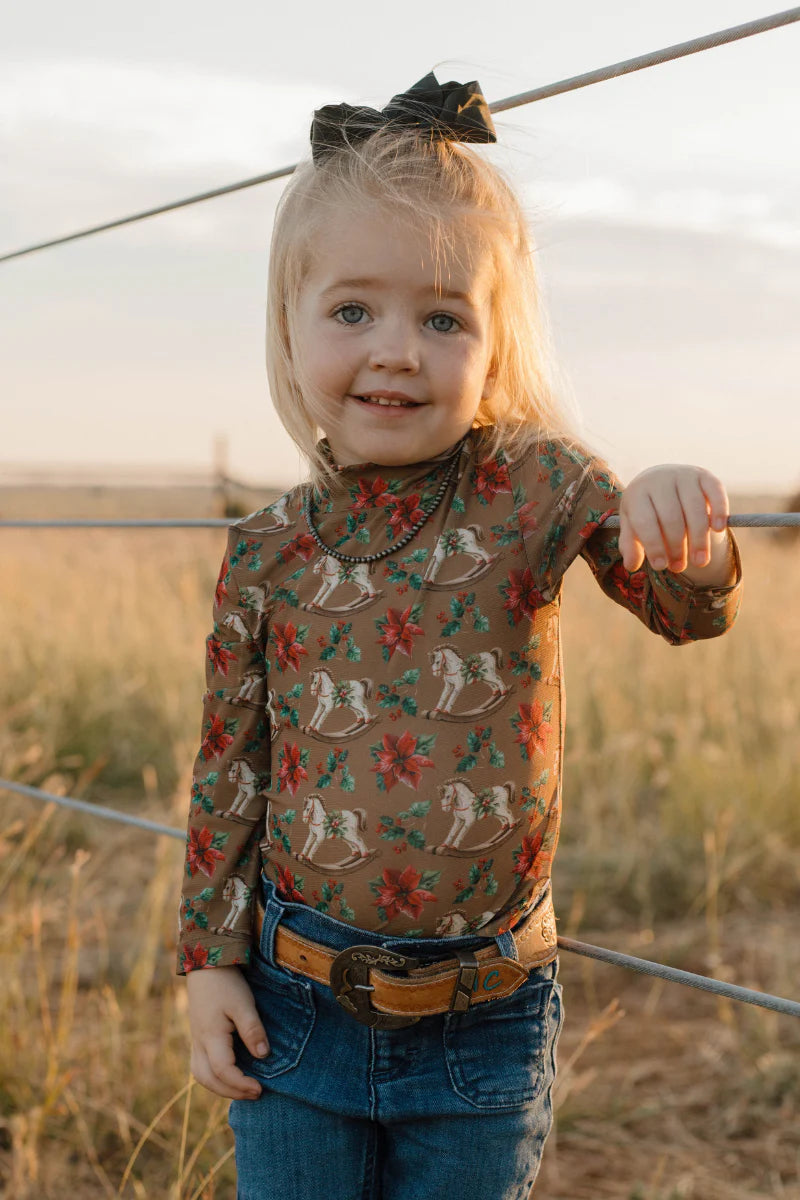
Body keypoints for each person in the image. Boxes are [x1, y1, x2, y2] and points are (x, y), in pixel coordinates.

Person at [176, 72, 742, 1199]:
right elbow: (230, 772)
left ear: (494, 341)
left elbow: (684, 612)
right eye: (352, 311)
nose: (396, 350)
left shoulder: (533, 485)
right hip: (293, 1007)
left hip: (482, 1021)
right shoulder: (266, 549)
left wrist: (685, 526)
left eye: (442, 317)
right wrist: (207, 963)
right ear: (288, 328)